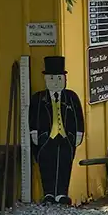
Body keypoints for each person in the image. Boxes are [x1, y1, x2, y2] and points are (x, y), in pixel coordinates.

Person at [29, 56, 84, 204]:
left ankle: (61, 193)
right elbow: (33, 116)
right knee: (46, 164)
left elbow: (78, 116)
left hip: (66, 137)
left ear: (64, 79)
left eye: (59, 78)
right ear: (46, 79)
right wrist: (34, 132)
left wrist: (79, 133)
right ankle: (48, 193)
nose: (55, 81)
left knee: (65, 163)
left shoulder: (71, 97)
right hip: (46, 137)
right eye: (52, 78)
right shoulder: (39, 98)